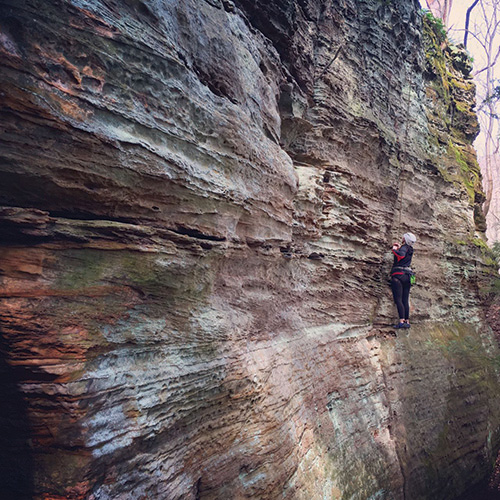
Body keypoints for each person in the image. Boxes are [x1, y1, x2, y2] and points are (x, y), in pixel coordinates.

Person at [390, 232, 416, 329]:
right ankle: (407, 321)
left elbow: (400, 255)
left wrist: (394, 249)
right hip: (408, 276)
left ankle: (401, 321)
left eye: (403, 237)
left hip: (399, 275)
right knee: (405, 299)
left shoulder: (404, 248)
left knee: (399, 299)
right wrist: (400, 247)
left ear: (405, 239)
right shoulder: (410, 249)